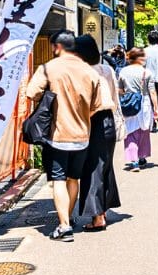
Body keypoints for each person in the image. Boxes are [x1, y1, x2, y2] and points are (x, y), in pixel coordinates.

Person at [24, 31, 101, 240]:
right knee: (73, 178)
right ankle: (67, 217)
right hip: (82, 136)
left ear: (57, 47)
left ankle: (64, 225)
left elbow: (31, 92)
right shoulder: (90, 70)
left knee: (58, 179)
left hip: (57, 135)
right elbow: (97, 104)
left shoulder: (49, 68)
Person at [73, 35, 121, 232]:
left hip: (92, 120)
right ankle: (102, 211)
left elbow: (85, 102)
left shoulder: (84, 72)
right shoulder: (107, 69)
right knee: (104, 166)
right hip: (108, 119)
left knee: (92, 168)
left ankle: (98, 218)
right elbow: (114, 95)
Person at [118, 47, 158, 171]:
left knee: (130, 132)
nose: (145, 59)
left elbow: (120, 90)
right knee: (143, 132)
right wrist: (156, 108)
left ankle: (134, 161)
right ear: (139, 58)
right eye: (143, 57)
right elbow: (152, 92)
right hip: (144, 103)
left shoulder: (123, 71)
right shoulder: (147, 72)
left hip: (129, 103)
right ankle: (141, 157)